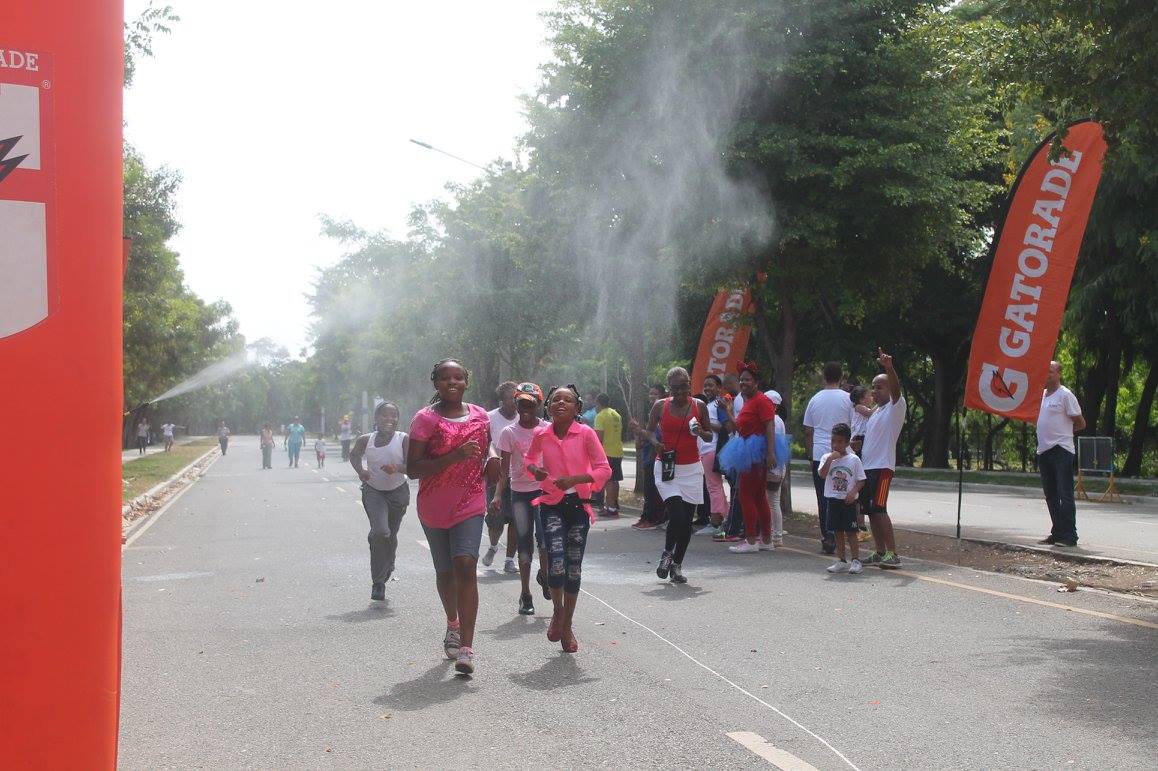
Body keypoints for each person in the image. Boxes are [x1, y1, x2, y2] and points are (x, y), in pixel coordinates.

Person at [406, 358, 492, 675]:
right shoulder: (425, 419)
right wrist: (454, 456)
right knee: (445, 574)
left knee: (466, 564)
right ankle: (452, 623)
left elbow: (487, 446)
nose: (452, 383)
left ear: (466, 382)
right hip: (434, 504)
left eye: (458, 378)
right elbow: (413, 468)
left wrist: (493, 459)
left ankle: (467, 649)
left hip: (471, 500)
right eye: (445, 378)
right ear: (436, 383)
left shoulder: (480, 415)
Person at [524, 385, 611, 652]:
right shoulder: (541, 434)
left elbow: (604, 469)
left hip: (578, 506)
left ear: (577, 408)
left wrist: (575, 479)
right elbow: (529, 461)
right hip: (551, 504)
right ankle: (558, 612)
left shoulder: (585, 434)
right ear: (548, 407)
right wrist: (536, 471)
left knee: (573, 568)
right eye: (556, 400)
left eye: (568, 400)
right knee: (557, 561)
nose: (561, 403)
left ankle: (568, 624)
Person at [645, 368, 714, 582]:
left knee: (686, 522)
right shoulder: (660, 406)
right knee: (677, 515)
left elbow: (710, 435)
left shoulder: (699, 406)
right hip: (667, 468)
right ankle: (667, 554)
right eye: (676, 388)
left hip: (692, 469)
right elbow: (649, 430)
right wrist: (656, 442)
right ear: (670, 389)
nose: (681, 391)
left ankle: (677, 566)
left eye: (684, 386)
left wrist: (700, 432)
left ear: (690, 384)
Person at [492, 382, 549, 615]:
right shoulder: (509, 433)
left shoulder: (546, 429)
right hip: (520, 494)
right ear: (515, 404)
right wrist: (497, 495)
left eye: (530, 404)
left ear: (538, 405)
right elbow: (504, 470)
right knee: (524, 546)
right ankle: (526, 594)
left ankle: (544, 575)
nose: (525, 408)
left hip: (544, 492)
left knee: (545, 539)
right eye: (521, 403)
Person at [351, 402, 410, 602]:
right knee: (380, 532)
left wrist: (397, 468)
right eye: (385, 415)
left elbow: (412, 466)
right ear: (376, 419)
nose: (389, 419)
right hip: (374, 491)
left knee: (390, 534)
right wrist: (361, 472)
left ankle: (389, 560)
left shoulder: (403, 439)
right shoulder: (365, 440)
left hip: (398, 493)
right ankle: (378, 583)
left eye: (393, 416)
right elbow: (354, 456)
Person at [719, 363, 778, 554]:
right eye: (741, 379)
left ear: (756, 382)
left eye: (747, 379)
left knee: (745, 495)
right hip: (747, 449)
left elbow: (770, 426)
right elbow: (740, 428)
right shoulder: (747, 401)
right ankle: (766, 539)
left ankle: (751, 540)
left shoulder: (762, 400)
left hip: (755, 452)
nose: (743, 382)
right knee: (759, 496)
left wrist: (770, 453)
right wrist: (728, 411)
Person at [859, 349, 906, 569]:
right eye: (873, 387)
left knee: (880, 509)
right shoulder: (876, 412)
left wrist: (889, 368)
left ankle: (892, 553)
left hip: (882, 467)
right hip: (868, 467)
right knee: (871, 511)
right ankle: (879, 551)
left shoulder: (896, 407)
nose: (874, 391)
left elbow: (897, 390)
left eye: (880, 387)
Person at [802, 362, 853, 554]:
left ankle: (827, 535)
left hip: (820, 453)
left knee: (823, 497)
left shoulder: (815, 400)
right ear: (841, 377)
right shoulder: (848, 399)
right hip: (843, 453)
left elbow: (808, 431)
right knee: (842, 494)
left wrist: (810, 453)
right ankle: (844, 533)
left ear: (824, 377)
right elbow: (853, 426)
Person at [1036, 360, 1086, 547]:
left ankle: (1070, 535)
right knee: (1050, 494)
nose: (1047, 375)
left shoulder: (1065, 395)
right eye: (1045, 371)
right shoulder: (1041, 396)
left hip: (1061, 450)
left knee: (1065, 494)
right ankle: (1057, 532)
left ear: (1058, 374)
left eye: (1050, 371)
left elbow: (1081, 423)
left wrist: (1064, 434)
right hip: (1044, 450)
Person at [818, 423, 867, 574]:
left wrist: (853, 492)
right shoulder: (827, 457)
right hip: (833, 500)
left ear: (847, 442)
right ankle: (841, 559)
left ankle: (856, 560)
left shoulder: (854, 460)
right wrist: (830, 460)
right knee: (837, 531)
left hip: (848, 501)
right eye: (833, 441)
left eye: (839, 441)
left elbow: (861, 480)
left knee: (851, 532)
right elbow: (822, 474)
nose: (835, 445)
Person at [483, 382, 520, 574]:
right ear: (501, 400)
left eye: (516, 399)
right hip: (496, 475)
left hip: (519, 477)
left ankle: (509, 560)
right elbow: (485, 443)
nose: (513, 403)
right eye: (509, 399)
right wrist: (493, 458)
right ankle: (493, 546)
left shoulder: (524, 418)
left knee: (515, 519)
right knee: (496, 518)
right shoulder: (489, 418)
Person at [694, 376, 729, 535]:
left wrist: (703, 425)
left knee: (713, 487)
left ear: (719, 388)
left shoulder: (718, 404)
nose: (707, 388)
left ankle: (716, 523)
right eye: (705, 385)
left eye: (711, 385)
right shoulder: (708, 405)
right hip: (705, 449)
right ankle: (725, 519)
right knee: (714, 486)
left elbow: (724, 426)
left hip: (711, 449)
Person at [630, 384, 667, 529]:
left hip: (656, 457)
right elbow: (640, 445)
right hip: (647, 457)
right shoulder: (649, 414)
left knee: (653, 491)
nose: (652, 396)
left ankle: (653, 519)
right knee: (648, 491)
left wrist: (640, 430)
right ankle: (646, 517)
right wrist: (636, 431)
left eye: (655, 394)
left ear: (662, 396)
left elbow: (656, 436)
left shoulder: (664, 413)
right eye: (650, 394)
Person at [764, 389, 789, 547]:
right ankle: (776, 535)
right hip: (778, 465)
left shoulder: (773, 420)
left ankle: (776, 535)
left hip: (774, 466)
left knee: (772, 502)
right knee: (773, 501)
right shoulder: (778, 419)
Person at [849, 384, 874, 538]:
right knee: (860, 478)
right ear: (861, 398)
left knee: (862, 481)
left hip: (863, 440)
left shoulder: (860, 408)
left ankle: (861, 522)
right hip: (859, 440)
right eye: (870, 395)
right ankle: (859, 522)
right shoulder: (859, 407)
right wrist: (882, 403)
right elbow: (871, 413)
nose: (872, 397)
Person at [593, 393, 624, 518]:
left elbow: (598, 437)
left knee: (608, 481)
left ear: (598, 403)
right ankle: (614, 505)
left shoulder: (600, 416)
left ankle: (610, 508)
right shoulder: (616, 414)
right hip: (617, 451)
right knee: (615, 480)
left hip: (606, 452)